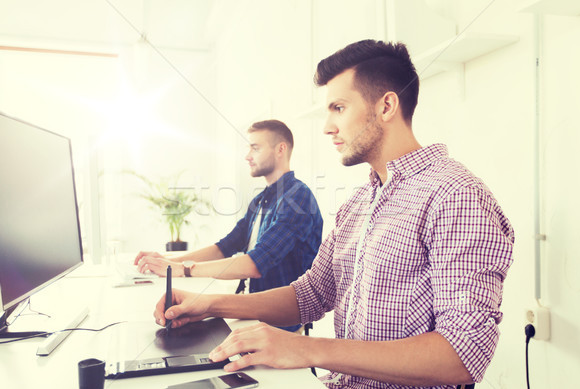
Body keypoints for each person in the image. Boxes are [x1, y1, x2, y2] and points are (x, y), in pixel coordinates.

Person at [152, 40, 515, 388]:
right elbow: (312, 293)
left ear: (386, 106)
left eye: (338, 108)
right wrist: (210, 304)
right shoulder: (360, 202)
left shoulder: (455, 195)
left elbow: (465, 354)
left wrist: (306, 350)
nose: (326, 126)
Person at [136, 119, 323, 332]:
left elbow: (255, 264)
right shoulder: (261, 199)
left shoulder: (299, 197)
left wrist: (184, 269)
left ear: (280, 149)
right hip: (251, 313)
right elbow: (225, 246)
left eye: (255, 147)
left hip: (281, 325)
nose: (247, 156)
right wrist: (168, 260)